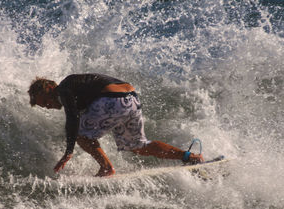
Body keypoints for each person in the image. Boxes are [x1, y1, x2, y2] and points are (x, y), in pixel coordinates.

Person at [28, 73, 204, 177]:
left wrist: (69, 152)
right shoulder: (76, 89)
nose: (48, 106)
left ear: (50, 88)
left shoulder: (64, 88)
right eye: (45, 106)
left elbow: (72, 119)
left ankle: (106, 168)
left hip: (112, 100)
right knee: (138, 146)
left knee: (81, 134)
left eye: (45, 101)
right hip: (132, 100)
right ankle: (189, 157)